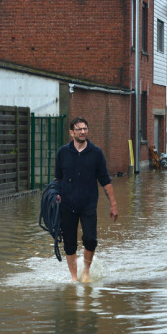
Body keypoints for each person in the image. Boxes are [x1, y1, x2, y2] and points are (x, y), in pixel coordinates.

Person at [54, 117, 119, 282]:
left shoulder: (96, 153)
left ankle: (86, 272)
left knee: (90, 239)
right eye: (79, 129)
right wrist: (56, 195)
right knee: (69, 244)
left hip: (88, 204)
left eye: (85, 128)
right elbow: (58, 179)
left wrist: (113, 205)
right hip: (67, 205)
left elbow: (105, 181)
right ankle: (75, 278)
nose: (83, 132)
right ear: (71, 132)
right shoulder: (62, 152)